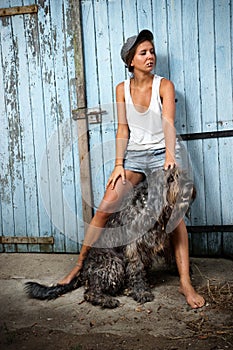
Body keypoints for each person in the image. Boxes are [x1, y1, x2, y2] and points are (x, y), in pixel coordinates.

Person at [59, 30, 205, 309]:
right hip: (135, 157)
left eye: (151, 51)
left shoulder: (165, 85)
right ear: (130, 61)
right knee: (105, 206)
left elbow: (168, 124)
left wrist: (170, 159)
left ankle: (185, 282)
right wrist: (118, 166)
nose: (150, 56)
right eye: (143, 53)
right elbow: (123, 129)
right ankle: (79, 266)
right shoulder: (121, 89)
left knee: (175, 218)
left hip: (163, 153)